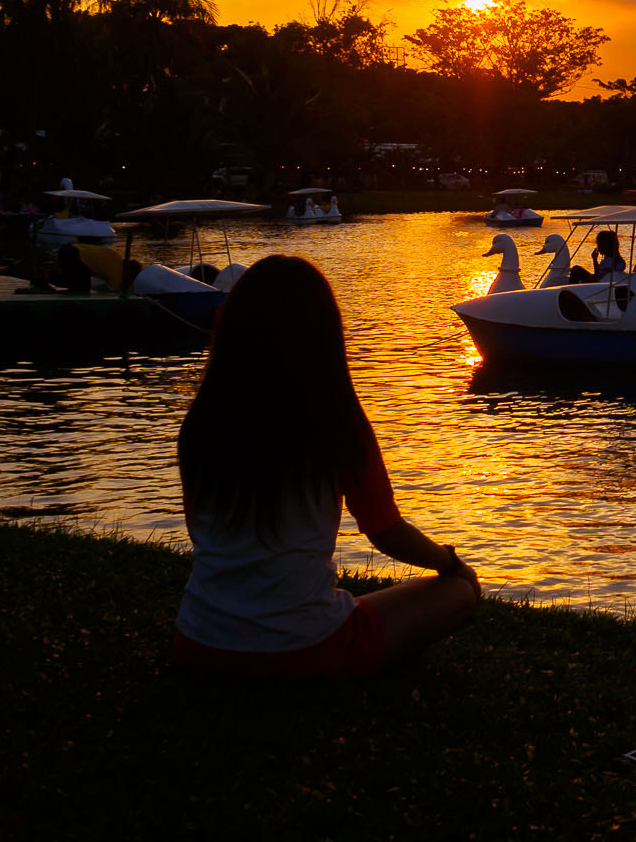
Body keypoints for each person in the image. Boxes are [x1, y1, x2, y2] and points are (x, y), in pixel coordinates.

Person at [173, 255, 479, 678]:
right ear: (322, 332)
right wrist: (450, 563)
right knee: (458, 593)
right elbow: (386, 531)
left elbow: (199, 531)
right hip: (308, 653)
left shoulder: (202, 421)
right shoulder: (337, 419)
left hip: (198, 646)